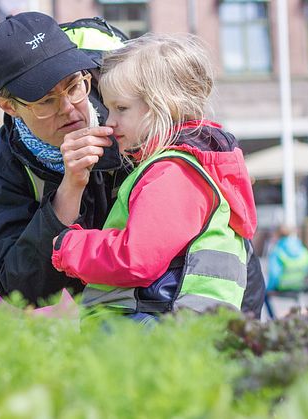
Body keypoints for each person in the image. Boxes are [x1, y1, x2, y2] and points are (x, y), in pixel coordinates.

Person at [0, 11, 265, 317]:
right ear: (9, 106)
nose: (69, 108)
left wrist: (69, 246)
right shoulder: (4, 165)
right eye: (46, 101)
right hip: (127, 323)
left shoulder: (127, 99)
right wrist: (69, 190)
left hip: (210, 306)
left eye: (74, 85)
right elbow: (21, 287)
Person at [51, 33, 257, 315]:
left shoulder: (173, 172)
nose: (110, 122)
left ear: (164, 105)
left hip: (155, 321)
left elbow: (136, 258)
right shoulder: (185, 166)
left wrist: (69, 245)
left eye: (121, 108)